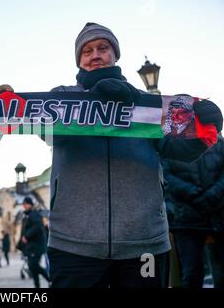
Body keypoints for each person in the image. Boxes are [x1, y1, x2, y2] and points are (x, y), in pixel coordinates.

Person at [45, 22, 223, 288]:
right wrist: (96, 97)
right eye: (87, 51)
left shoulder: (149, 105)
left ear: (115, 54)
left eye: (103, 48)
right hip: (73, 243)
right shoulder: (61, 97)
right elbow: (49, 133)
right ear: (79, 61)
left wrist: (207, 127)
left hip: (145, 243)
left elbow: (180, 150)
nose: (95, 55)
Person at [162, 135, 224, 288]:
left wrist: (213, 193)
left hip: (218, 214)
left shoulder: (218, 141)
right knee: (191, 274)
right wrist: (193, 193)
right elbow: (166, 176)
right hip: (186, 217)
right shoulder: (169, 143)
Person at [19, 197, 50, 288]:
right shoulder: (28, 215)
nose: (24, 206)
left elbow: (37, 227)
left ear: (30, 204)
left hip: (36, 246)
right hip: (31, 246)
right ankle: (37, 285)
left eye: (25, 204)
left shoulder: (34, 214)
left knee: (33, 265)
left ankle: (50, 279)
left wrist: (26, 236)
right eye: (23, 204)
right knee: (32, 266)